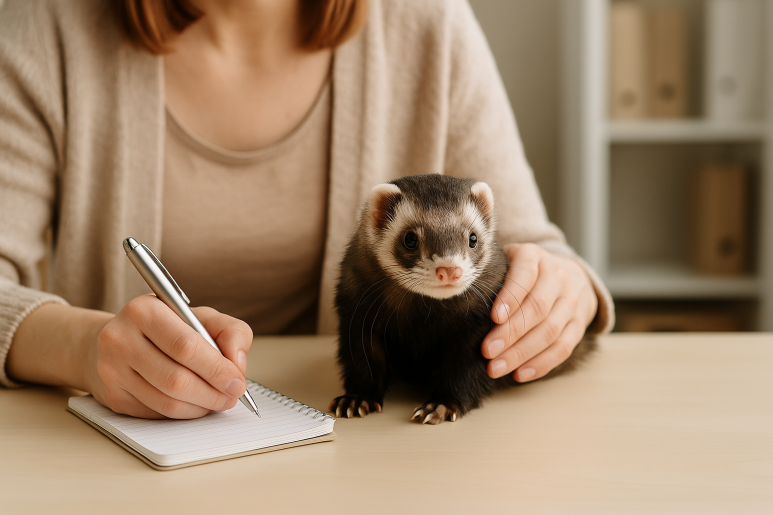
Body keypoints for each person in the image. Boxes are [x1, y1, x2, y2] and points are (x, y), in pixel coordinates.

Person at [0, 0, 614, 419]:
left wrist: (564, 290)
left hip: (367, 453)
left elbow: (533, 248)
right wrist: (82, 348)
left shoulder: (427, 19)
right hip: (123, 448)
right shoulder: (41, 28)